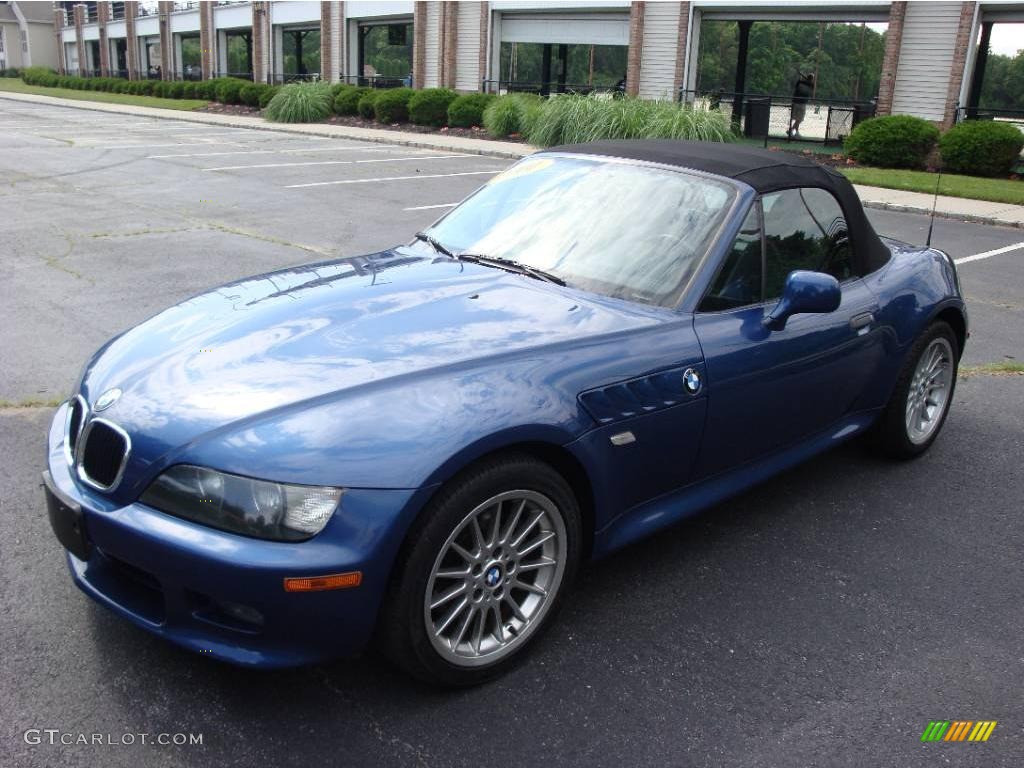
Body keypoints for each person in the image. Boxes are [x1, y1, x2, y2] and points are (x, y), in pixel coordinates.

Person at [788, 72, 814, 139]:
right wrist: (807, 80)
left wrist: (803, 79)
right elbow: (811, 88)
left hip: (795, 102)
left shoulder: (800, 82)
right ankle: (792, 130)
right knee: (799, 119)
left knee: (796, 119)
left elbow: (797, 85)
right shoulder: (811, 85)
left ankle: (795, 132)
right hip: (802, 103)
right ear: (812, 79)